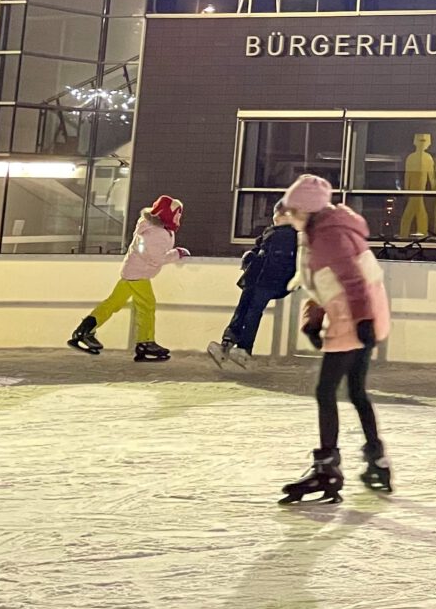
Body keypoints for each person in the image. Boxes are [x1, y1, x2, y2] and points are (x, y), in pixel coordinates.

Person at [278, 174, 393, 504]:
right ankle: (377, 461)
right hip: (359, 314)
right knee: (356, 391)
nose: (290, 217)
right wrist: (313, 321)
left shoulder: (329, 235)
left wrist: (362, 321)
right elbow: (321, 284)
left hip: (354, 317)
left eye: (294, 211)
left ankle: (327, 467)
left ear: (308, 211)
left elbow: (353, 281)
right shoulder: (319, 229)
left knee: (325, 389)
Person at [68, 195, 189, 361]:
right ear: (167, 213)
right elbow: (156, 258)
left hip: (132, 271)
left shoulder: (151, 228)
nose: (178, 218)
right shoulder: (157, 233)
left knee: (113, 303)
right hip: (139, 274)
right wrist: (177, 254)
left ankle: (84, 330)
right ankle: (145, 342)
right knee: (147, 306)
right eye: (177, 214)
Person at [208, 198, 298, 368]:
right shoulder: (272, 232)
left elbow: (284, 261)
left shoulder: (289, 235)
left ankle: (244, 348)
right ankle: (228, 341)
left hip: (269, 281)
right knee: (243, 308)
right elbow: (260, 248)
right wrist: (252, 256)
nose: (275, 218)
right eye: (275, 215)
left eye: (279, 215)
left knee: (252, 311)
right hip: (256, 278)